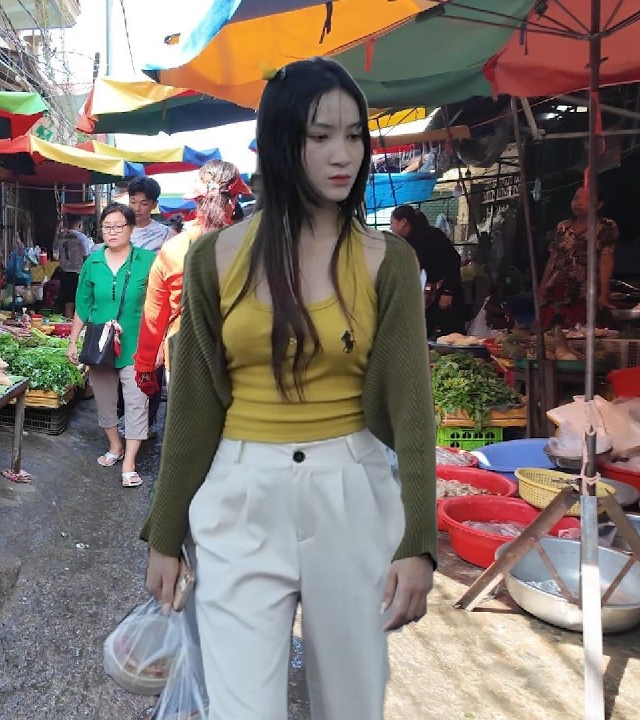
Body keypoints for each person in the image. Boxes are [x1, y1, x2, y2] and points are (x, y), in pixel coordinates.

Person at [142, 58, 435, 720]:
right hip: (240, 498)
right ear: (280, 141)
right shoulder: (213, 260)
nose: (343, 155)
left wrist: (418, 539)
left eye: (355, 135)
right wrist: (164, 534)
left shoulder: (388, 261)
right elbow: (192, 411)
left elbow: (413, 413)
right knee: (240, 708)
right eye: (319, 135)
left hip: (353, 492)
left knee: (352, 704)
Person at [134, 160, 247, 421]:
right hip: (242, 354)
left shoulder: (173, 249)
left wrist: (145, 366)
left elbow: (154, 318)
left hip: (184, 352)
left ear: (196, 199)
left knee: (189, 432)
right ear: (235, 198)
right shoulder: (251, 246)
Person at [66, 204, 155, 488]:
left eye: (119, 226)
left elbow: (160, 304)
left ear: (131, 228)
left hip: (136, 345)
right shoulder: (92, 262)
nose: (113, 231)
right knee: (104, 402)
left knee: (136, 403)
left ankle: (129, 461)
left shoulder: (148, 260)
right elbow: (83, 305)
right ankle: (115, 446)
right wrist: (72, 340)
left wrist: (161, 342)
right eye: (107, 227)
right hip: (99, 344)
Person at [538, 186, 618, 327]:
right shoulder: (563, 227)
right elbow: (553, 259)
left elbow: (606, 260)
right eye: (575, 198)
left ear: (599, 205)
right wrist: (542, 287)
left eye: (585, 198)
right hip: (557, 289)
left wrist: (604, 294)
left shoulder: (606, 226)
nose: (578, 202)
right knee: (550, 334)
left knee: (580, 334)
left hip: (585, 291)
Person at [390, 204, 467, 338]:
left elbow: (453, 260)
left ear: (403, 222)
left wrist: (448, 291)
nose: (391, 227)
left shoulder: (432, 235)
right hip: (426, 299)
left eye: (392, 222)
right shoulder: (405, 242)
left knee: (451, 338)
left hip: (445, 295)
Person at [56, 215, 94, 318]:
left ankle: (69, 325)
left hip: (64, 272)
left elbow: (55, 253)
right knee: (81, 301)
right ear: (80, 224)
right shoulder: (81, 237)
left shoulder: (60, 236)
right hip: (78, 272)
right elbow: (86, 257)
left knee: (68, 302)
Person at [126, 177, 174, 253]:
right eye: (133, 202)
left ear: (154, 204)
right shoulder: (119, 229)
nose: (137, 208)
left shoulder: (165, 233)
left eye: (144, 204)